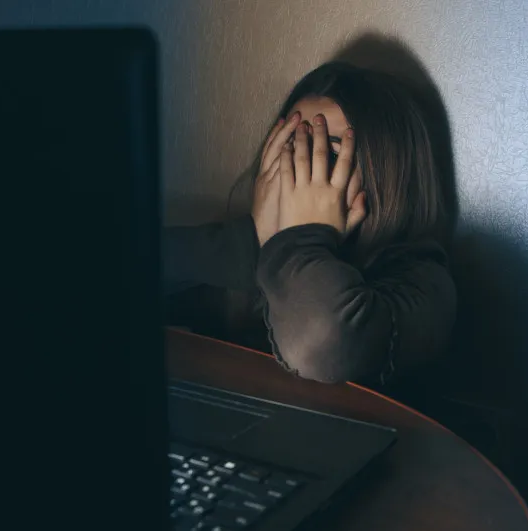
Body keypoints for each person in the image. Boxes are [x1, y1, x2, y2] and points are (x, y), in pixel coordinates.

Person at [164, 61, 456, 387]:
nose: (296, 173)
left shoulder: (423, 286)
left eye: (322, 155)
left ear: (385, 176)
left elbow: (320, 341)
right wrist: (253, 240)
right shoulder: (256, 257)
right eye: (289, 150)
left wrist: (301, 241)